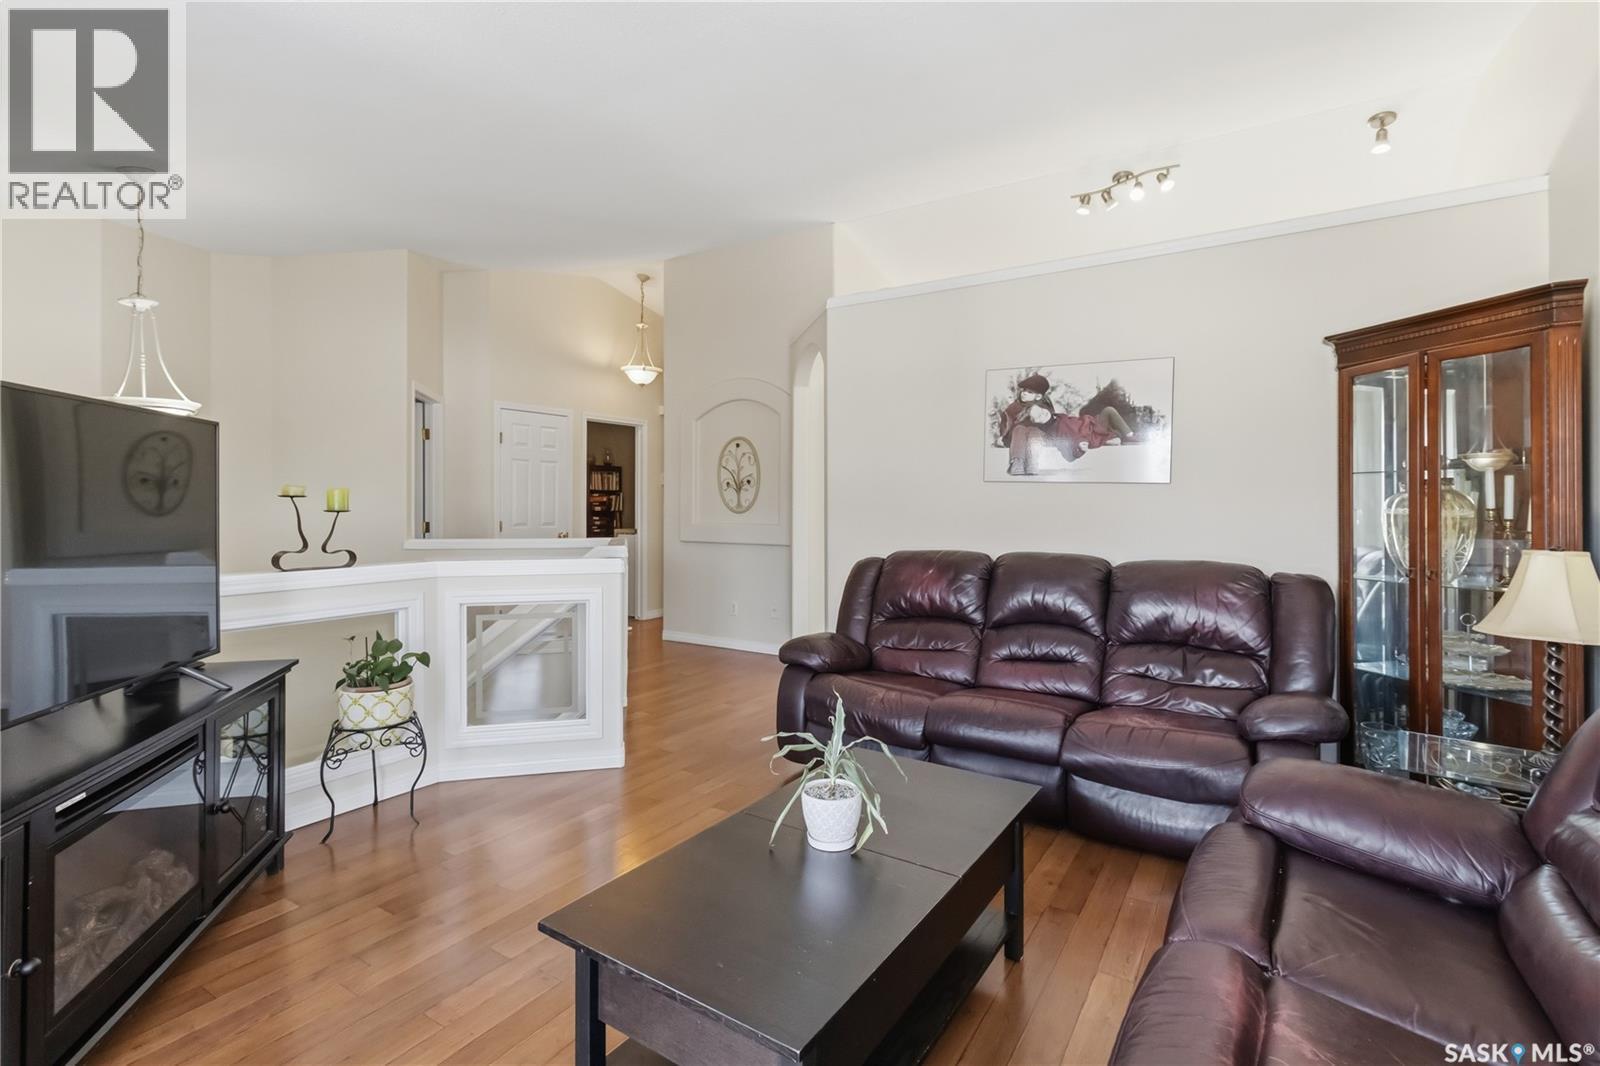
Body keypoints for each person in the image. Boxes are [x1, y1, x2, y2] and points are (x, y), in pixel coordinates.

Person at [998, 373, 1056, 475]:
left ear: (1038, 396)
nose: (1024, 393)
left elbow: (1049, 421)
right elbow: (1006, 420)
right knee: (1019, 428)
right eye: (1023, 390)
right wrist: (1003, 435)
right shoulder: (1015, 406)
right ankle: (1017, 461)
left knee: (1035, 431)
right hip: (1016, 437)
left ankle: (1032, 462)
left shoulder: (1043, 407)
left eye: (1029, 392)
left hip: (1038, 436)